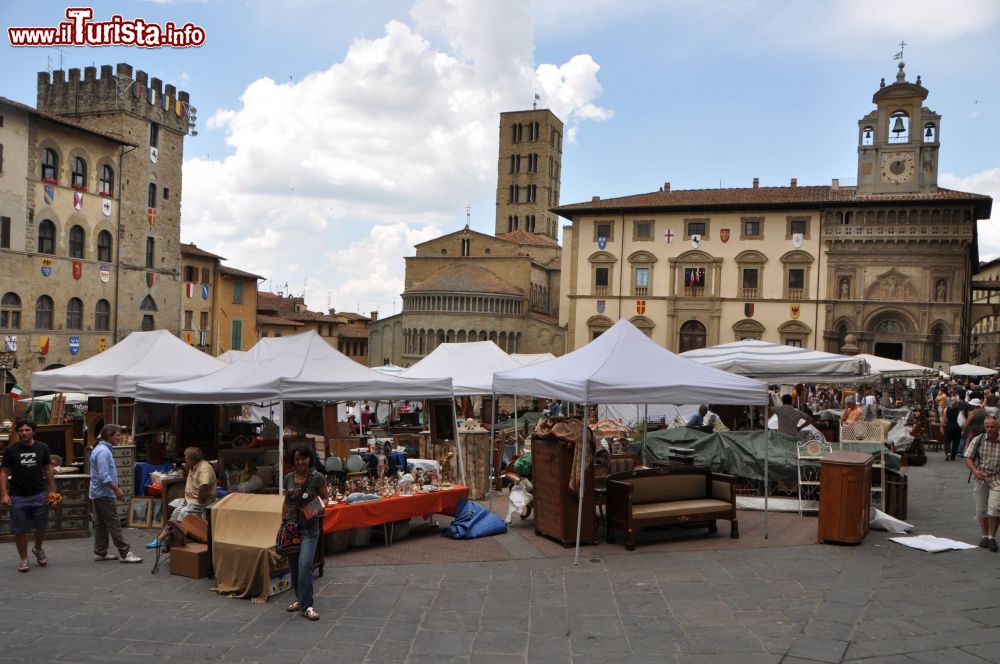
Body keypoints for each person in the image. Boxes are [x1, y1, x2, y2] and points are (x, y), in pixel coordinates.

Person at [0, 418, 56, 572]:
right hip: (18, 495)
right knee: (19, 529)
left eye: (27, 430)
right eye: (21, 430)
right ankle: (24, 559)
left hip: (39, 493)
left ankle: (38, 548)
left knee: (41, 525)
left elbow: (48, 469)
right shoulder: (11, 450)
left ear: (33, 431)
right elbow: (4, 472)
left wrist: (52, 490)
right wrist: (4, 494)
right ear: (17, 432)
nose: (24, 433)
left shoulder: (42, 448)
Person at [283, 445, 329, 621]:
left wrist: (313, 509)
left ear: (310, 459)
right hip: (291, 528)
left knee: (305, 565)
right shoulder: (289, 478)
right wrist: (282, 523)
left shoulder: (317, 478)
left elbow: (326, 498)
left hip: (310, 529)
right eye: (297, 459)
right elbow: (286, 503)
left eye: (303, 458)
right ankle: (300, 599)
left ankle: (307, 605)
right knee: (294, 567)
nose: (300, 462)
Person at [89, 424, 143, 563]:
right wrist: (117, 489)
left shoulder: (102, 449)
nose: (120, 437)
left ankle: (100, 552)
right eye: (117, 435)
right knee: (114, 524)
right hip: (104, 493)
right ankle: (125, 553)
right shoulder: (103, 451)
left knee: (101, 524)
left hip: (99, 493)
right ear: (109, 435)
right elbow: (104, 476)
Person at [146, 447, 217, 549]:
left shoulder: (204, 468)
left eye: (186, 458)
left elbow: (204, 485)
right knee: (175, 515)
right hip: (189, 499)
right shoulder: (193, 466)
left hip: (199, 501)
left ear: (192, 459)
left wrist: (200, 498)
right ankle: (161, 539)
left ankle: (170, 541)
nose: (185, 460)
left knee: (182, 515)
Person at [965, 416, 1000, 551]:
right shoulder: (978, 439)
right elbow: (968, 458)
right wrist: (975, 470)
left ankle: (992, 537)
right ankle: (984, 535)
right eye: (988, 427)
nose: (990, 429)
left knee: (995, 507)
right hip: (981, 479)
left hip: (997, 478)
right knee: (981, 509)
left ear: (998, 427)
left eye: (993, 427)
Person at [943, 394, 964, 460]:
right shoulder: (960, 409)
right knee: (956, 442)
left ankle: (948, 452)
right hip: (958, 427)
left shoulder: (947, 409)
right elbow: (962, 419)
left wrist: (942, 426)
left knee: (947, 441)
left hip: (949, 426)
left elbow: (944, 419)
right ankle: (953, 456)